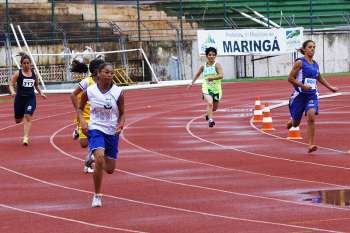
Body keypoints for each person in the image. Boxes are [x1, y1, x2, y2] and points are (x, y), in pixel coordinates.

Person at [78, 63, 125, 207]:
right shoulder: (90, 91)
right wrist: (83, 123)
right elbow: (80, 109)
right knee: (99, 157)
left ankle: (91, 160)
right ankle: (97, 195)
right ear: (98, 73)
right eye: (106, 72)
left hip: (111, 131)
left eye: (111, 73)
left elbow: (122, 113)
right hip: (96, 128)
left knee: (110, 169)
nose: (109, 75)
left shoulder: (118, 92)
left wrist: (121, 124)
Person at [287, 40, 338, 153]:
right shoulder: (299, 62)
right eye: (310, 47)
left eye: (314, 47)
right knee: (295, 124)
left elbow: (319, 77)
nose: (312, 49)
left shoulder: (315, 64)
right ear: (304, 49)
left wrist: (330, 87)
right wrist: (302, 86)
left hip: (312, 95)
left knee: (311, 116)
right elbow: (290, 78)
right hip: (299, 96)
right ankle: (292, 121)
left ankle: (311, 144)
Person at [70, 58, 105, 173]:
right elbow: (73, 95)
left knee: (96, 140)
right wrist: (78, 111)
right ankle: (77, 130)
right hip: (84, 116)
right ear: (96, 71)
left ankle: (88, 164)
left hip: (97, 116)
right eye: (103, 69)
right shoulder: (87, 82)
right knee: (84, 144)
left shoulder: (104, 82)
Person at [8, 53, 47, 145]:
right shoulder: (18, 73)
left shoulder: (33, 73)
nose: (26, 65)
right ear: (21, 64)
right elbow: (11, 84)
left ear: (30, 64)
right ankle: (20, 116)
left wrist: (41, 93)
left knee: (28, 116)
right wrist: (13, 91)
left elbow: (36, 85)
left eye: (27, 63)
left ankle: (25, 137)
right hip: (19, 99)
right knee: (18, 120)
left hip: (30, 98)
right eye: (24, 63)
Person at [188, 47, 224, 127]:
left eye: (213, 55)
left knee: (214, 108)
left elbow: (221, 75)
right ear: (207, 56)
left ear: (215, 56)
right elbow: (197, 74)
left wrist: (212, 78)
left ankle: (208, 115)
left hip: (217, 89)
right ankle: (211, 120)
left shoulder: (217, 65)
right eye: (210, 55)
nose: (211, 56)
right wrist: (192, 83)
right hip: (206, 87)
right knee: (210, 103)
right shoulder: (203, 66)